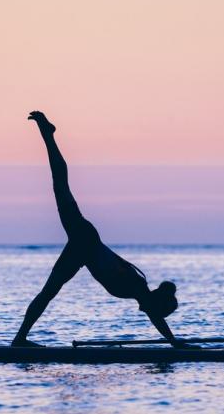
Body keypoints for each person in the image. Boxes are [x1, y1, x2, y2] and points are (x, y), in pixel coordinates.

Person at [12, 111, 191, 348]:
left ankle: (20, 339)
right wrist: (175, 343)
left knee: (49, 292)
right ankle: (48, 135)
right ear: (155, 303)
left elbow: (155, 316)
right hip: (84, 241)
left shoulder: (139, 289)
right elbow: (155, 316)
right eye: (157, 312)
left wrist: (174, 342)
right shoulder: (136, 285)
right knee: (60, 184)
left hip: (83, 249)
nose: (147, 314)